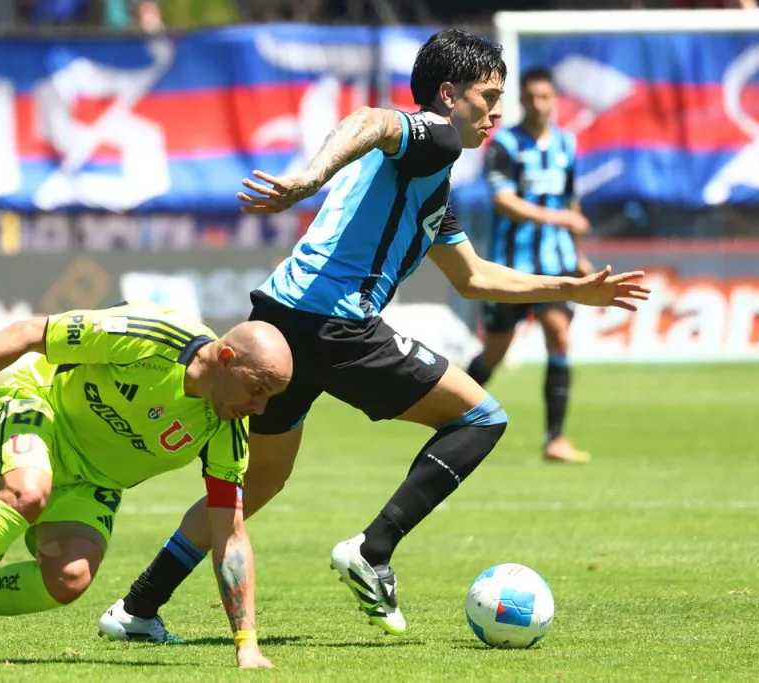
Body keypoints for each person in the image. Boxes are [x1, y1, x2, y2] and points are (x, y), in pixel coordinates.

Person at [96, 29, 650, 642]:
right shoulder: (433, 138)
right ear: (448, 95)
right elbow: (370, 118)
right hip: (335, 325)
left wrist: (571, 288)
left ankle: (136, 608)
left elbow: (474, 277)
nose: (497, 111)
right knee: (482, 419)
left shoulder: (428, 180)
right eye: (488, 96)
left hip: (281, 320)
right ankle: (373, 548)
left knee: (258, 483)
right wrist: (307, 179)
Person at [0, 302, 292, 669]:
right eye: (257, 388)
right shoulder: (149, 337)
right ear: (226, 359)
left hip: (94, 481)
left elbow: (230, 534)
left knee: (69, 579)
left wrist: (247, 644)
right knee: (27, 493)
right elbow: (25, 332)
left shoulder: (227, 427)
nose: (259, 408)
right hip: (40, 406)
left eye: (270, 397)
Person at [465, 66, 595, 464]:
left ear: (555, 100)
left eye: (546, 98)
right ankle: (452, 412)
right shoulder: (504, 144)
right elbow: (505, 202)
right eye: (531, 98)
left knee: (558, 334)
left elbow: (570, 201)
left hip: (557, 266)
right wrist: (561, 220)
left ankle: (555, 438)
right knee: (494, 354)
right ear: (521, 100)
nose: (539, 105)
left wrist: (578, 255)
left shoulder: (567, 145)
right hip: (512, 268)